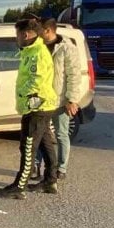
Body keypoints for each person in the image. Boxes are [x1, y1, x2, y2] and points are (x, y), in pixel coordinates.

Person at [0, 18, 60, 199]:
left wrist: (24, 94)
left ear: (25, 34)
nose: (16, 38)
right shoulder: (30, 50)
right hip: (42, 105)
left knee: (28, 146)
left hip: (36, 107)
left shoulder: (37, 53)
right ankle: (50, 181)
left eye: (17, 34)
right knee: (46, 144)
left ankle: (19, 186)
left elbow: (36, 79)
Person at [38, 18, 84, 180]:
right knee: (39, 134)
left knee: (61, 134)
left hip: (60, 100)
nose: (37, 33)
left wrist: (72, 99)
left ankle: (61, 168)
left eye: (40, 30)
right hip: (42, 100)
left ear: (48, 30)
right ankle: (37, 166)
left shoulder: (67, 48)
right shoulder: (39, 47)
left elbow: (74, 75)